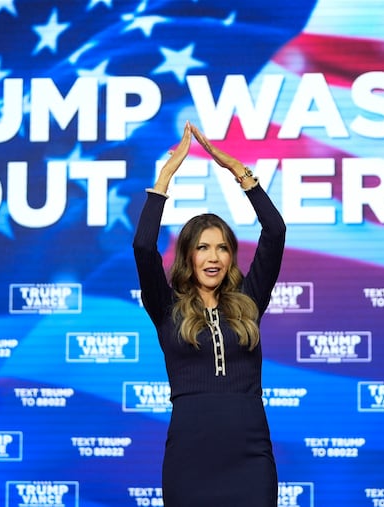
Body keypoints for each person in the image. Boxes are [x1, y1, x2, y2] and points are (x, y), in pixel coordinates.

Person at [132, 121, 286, 506]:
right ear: (188, 255)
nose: (213, 257)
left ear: (231, 256)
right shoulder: (166, 308)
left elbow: (275, 231)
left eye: (222, 248)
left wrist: (240, 172)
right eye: (202, 248)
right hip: (190, 456)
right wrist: (165, 177)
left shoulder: (249, 299)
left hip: (250, 455)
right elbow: (143, 246)